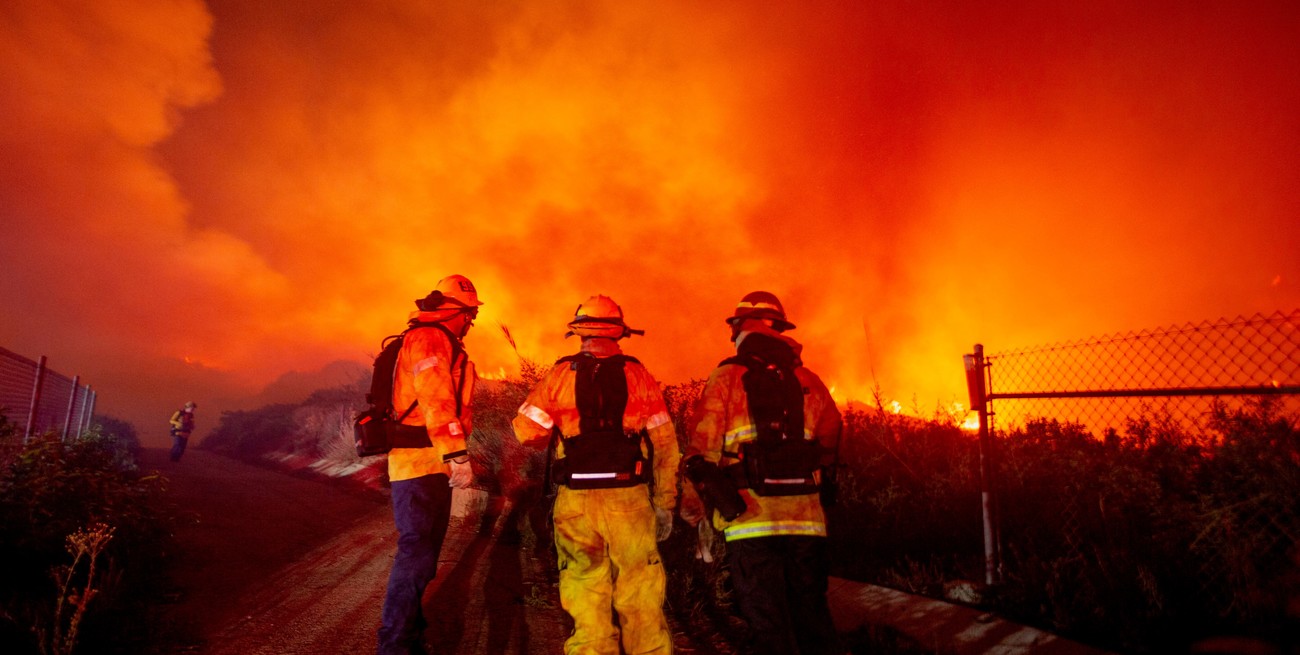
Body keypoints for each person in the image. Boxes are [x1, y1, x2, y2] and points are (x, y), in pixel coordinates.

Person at [512, 295, 680, 655]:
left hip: (576, 504)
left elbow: (525, 431)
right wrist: (665, 502)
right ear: (619, 332)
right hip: (629, 501)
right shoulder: (639, 375)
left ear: (580, 332)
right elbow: (666, 445)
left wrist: (561, 425)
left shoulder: (558, 375)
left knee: (585, 589)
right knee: (640, 593)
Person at [679, 291, 843, 655]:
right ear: (780, 330)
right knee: (812, 616)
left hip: (751, 520)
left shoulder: (726, 377)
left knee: (766, 620)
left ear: (738, 329)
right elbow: (831, 435)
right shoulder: (809, 380)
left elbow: (700, 450)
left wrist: (696, 513)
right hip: (806, 522)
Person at [377, 274, 482, 655]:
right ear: (457, 311)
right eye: (470, 314)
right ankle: (396, 646)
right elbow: (437, 401)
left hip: (423, 464)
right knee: (416, 556)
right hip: (420, 465)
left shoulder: (428, 338)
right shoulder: (431, 339)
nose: (470, 322)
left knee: (422, 558)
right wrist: (457, 454)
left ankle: (410, 636)